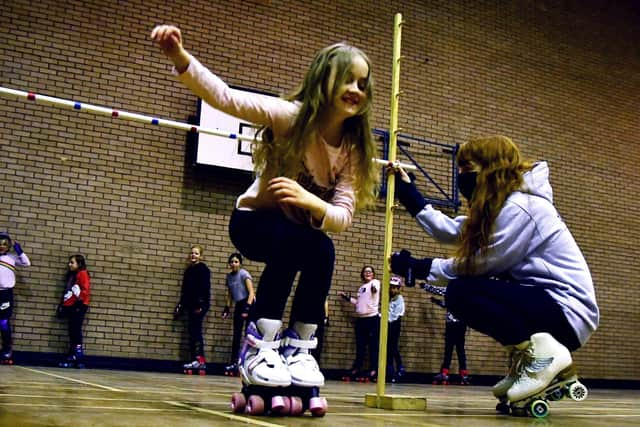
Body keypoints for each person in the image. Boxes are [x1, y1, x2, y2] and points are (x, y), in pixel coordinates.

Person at [152, 24, 378, 402]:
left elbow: (341, 217)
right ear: (324, 80)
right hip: (251, 223)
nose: (356, 89)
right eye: (347, 80)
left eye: (363, 83)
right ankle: (261, 345)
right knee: (295, 243)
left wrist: (311, 201)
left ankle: (300, 348)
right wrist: (180, 57)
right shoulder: (291, 117)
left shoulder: (354, 149)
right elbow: (226, 98)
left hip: (295, 235)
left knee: (321, 249)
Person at [390, 135, 599, 406]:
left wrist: (420, 267)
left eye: (468, 168)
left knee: (462, 292)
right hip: (544, 302)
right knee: (464, 290)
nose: (462, 176)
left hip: (566, 311)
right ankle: (530, 358)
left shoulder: (522, 207)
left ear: (491, 168)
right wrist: (411, 196)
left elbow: (482, 263)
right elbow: (452, 230)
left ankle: (543, 356)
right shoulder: (501, 208)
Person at [338, 265, 380, 382]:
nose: (368, 273)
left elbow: (375, 289)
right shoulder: (361, 288)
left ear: (373, 274)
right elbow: (358, 303)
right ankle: (356, 368)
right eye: (365, 271)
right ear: (362, 274)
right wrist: (347, 298)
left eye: (370, 271)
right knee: (360, 346)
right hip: (361, 320)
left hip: (372, 319)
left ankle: (374, 370)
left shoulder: (375, 282)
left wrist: (374, 289)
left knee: (373, 346)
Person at [173, 245, 211, 374]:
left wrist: (201, 304)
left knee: (196, 331)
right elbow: (185, 290)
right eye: (192, 253)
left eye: (196, 253)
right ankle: (194, 359)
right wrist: (180, 305)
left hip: (200, 304)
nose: (193, 255)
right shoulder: (188, 270)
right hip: (190, 305)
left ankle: (200, 360)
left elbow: (205, 287)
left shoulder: (203, 269)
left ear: (201, 256)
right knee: (191, 331)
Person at [424, 283, 469, 385]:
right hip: (462, 324)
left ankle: (445, 373)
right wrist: (435, 300)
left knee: (448, 349)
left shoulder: (452, 289)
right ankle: (464, 374)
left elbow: (438, 291)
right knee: (460, 349)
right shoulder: (466, 291)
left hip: (451, 324)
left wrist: (425, 286)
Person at [222, 252, 255, 375]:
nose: (233, 264)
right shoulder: (229, 276)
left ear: (240, 263)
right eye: (231, 262)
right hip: (238, 304)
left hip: (248, 304)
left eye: (236, 262)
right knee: (236, 335)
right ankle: (234, 362)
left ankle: (248, 362)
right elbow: (230, 294)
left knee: (248, 335)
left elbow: (251, 292)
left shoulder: (244, 274)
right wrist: (227, 308)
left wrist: (247, 308)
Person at [0, 232, 30, 365]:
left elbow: (26, 263)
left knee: (3, 323)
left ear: (9, 246)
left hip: (5, 294)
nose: (2, 246)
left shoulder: (12, 258)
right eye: (0, 244)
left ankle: (7, 350)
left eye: (5, 244)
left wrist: (20, 251)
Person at [58, 254, 91, 368]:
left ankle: (78, 356)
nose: (69, 264)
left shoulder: (82, 273)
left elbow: (85, 290)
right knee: (72, 331)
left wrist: (80, 295)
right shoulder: (73, 275)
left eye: (72, 262)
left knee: (75, 331)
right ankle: (73, 355)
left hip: (79, 305)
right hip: (73, 305)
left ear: (79, 264)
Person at [387, 275, 405, 383]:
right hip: (387, 324)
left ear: (398, 289)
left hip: (394, 324)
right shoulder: (388, 298)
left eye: (395, 288)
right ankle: (390, 371)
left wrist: (387, 319)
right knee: (388, 348)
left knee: (392, 348)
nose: (392, 289)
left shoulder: (399, 299)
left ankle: (398, 368)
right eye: (391, 287)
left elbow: (396, 314)